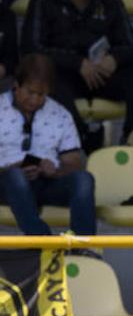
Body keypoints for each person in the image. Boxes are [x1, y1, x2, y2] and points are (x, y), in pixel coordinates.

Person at [22, 0, 133, 150]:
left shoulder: (110, 1)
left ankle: (132, 137)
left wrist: (114, 58)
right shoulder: (43, 0)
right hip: (65, 76)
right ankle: (85, 137)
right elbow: (32, 49)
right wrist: (77, 63)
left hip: (102, 75)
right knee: (43, 74)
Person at [0, 53, 95, 246]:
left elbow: (73, 163)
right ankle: (44, 242)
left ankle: (83, 246)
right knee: (15, 177)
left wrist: (55, 170)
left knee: (84, 179)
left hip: (46, 182)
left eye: (41, 94)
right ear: (16, 85)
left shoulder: (60, 114)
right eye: (30, 92)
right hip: (5, 182)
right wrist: (15, 167)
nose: (34, 100)